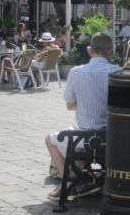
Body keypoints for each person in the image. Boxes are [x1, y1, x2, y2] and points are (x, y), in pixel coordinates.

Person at [45, 33, 121, 201]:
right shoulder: (117, 71)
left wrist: (86, 103)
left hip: (85, 135)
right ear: (110, 51)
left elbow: (70, 105)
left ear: (89, 50)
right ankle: (89, 179)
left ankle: (68, 183)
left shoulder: (76, 72)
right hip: (111, 135)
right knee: (77, 145)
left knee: (50, 140)